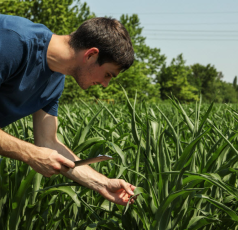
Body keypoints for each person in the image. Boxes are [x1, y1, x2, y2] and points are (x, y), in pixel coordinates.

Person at [0, 14, 136, 206]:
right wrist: (30, 153)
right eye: (107, 74)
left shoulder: (55, 81)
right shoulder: (13, 41)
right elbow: (37, 151)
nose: (105, 84)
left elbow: (48, 142)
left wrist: (103, 184)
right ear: (91, 55)